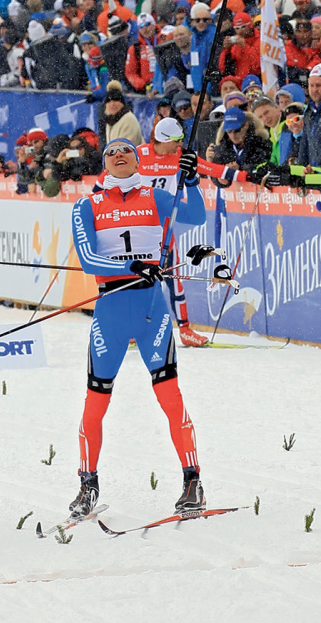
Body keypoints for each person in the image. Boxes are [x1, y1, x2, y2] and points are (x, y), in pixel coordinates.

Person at [69, 137, 207, 518]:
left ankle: (192, 482)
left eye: (125, 150)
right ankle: (87, 485)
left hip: (152, 312)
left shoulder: (158, 198)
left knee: (171, 398)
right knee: (94, 405)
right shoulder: (87, 205)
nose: (118, 155)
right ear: (104, 163)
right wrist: (133, 267)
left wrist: (192, 181)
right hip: (110, 312)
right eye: (111, 152)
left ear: (136, 158)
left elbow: (196, 216)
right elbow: (88, 259)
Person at [136, 117, 247, 346]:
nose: (179, 145)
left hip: (165, 228)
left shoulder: (181, 157)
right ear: (162, 138)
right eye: (176, 141)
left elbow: (214, 169)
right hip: (138, 228)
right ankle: (134, 328)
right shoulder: (138, 155)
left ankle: (185, 330)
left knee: (174, 280)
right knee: (140, 280)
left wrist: (248, 176)